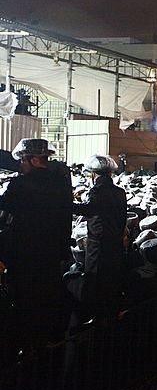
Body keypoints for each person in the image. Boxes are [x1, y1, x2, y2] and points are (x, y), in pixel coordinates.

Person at [0, 138, 73, 352]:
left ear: (33, 160)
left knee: (23, 304)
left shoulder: (20, 185)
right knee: (46, 302)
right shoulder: (61, 185)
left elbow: (4, 214)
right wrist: (61, 253)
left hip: (23, 257)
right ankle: (45, 345)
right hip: (51, 257)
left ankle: (25, 348)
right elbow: (65, 220)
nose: (21, 165)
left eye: (22, 160)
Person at [72, 154, 128, 319]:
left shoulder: (95, 191)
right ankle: (111, 311)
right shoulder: (120, 192)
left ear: (93, 174)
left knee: (95, 279)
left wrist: (64, 204)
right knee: (112, 278)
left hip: (98, 244)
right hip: (115, 243)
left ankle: (95, 315)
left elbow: (88, 210)